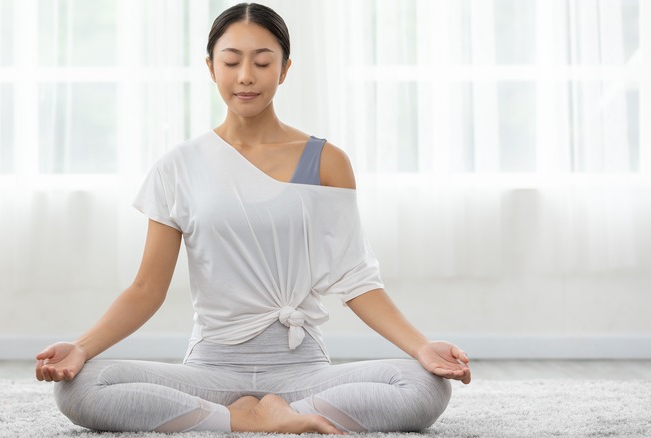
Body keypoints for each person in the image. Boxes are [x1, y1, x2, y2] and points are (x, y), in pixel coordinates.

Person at [35, 2, 470, 434]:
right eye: (231, 61)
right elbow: (147, 288)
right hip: (211, 372)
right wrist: (80, 347)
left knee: (422, 385)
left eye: (262, 62)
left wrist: (422, 347)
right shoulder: (179, 166)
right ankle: (244, 418)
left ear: (284, 70)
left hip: (302, 373)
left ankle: (260, 415)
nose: (246, 76)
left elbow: (357, 280)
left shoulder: (325, 162)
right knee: (83, 386)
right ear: (211, 67)